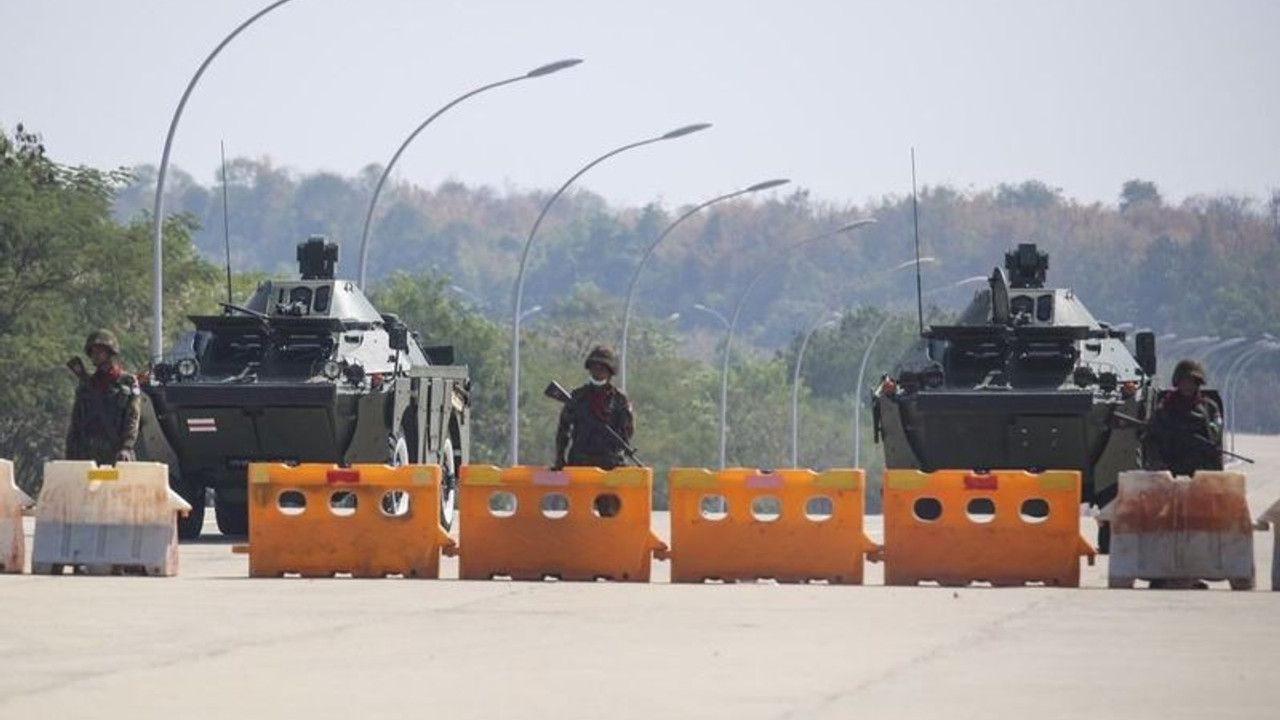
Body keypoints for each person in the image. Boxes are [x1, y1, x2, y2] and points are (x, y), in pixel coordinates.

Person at [66, 329, 141, 465]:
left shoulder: (127, 383)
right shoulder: (86, 386)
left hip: (117, 454)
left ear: (110, 353)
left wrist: (126, 448)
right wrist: (71, 455)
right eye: (93, 352)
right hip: (87, 455)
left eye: (100, 351)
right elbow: (76, 422)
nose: (95, 355)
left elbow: (132, 419)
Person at [553, 345, 634, 471]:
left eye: (602, 369)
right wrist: (560, 456)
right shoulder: (577, 397)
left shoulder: (619, 400)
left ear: (610, 373)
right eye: (594, 368)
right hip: (580, 463)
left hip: (610, 464)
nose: (598, 373)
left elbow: (626, 434)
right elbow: (563, 430)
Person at [1141, 359, 1223, 477]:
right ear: (1178, 382)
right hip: (1170, 467)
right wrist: (1156, 461)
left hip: (1200, 469)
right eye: (1185, 381)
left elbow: (1215, 439)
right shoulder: (1165, 408)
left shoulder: (1209, 408)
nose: (1188, 386)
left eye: (1192, 382)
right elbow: (1150, 439)